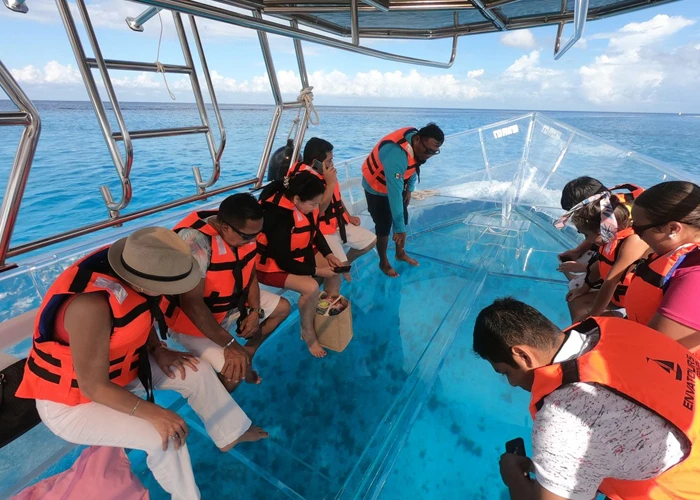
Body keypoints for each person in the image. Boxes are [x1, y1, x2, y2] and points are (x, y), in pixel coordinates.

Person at [16, 227, 268, 500]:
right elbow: (92, 386)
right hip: (74, 402)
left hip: (124, 370)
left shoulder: (142, 268)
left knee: (196, 371)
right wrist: (152, 413)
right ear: (140, 281)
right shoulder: (89, 306)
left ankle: (229, 432)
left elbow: (139, 311)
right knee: (165, 434)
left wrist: (157, 349)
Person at [473, 297, 700, 500]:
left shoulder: (564, 420)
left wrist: (513, 479)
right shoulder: (616, 327)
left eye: (505, 373)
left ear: (522, 355)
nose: (511, 383)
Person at [164, 194, 291, 392]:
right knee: (236, 373)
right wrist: (231, 344)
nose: (254, 240)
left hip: (231, 302)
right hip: (193, 320)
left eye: (258, 233)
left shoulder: (242, 232)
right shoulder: (195, 242)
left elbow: (250, 272)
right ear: (225, 228)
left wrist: (255, 311)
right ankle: (217, 404)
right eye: (249, 236)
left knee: (283, 308)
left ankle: (248, 352)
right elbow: (191, 304)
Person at [257, 172, 343, 358]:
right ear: (296, 199)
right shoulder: (277, 215)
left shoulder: (304, 206)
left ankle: (324, 313)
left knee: (336, 271)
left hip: (298, 254)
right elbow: (283, 261)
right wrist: (318, 271)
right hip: (272, 265)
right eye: (313, 204)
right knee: (311, 287)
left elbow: (314, 231)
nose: (316, 208)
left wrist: (328, 255)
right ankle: (307, 330)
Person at [288, 137, 377, 292]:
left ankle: (345, 263)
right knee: (335, 272)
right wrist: (330, 183)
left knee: (370, 241)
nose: (332, 164)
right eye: (329, 161)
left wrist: (348, 216)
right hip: (321, 231)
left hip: (337, 223)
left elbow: (336, 197)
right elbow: (319, 211)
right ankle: (329, 296)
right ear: (316, 162)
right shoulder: (306, 180)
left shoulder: (325, 173)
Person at [362, 123, 444, 277]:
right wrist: (399, 229)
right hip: (376, 188)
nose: (428, 155)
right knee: (384, 226)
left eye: (434, 152)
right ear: (418, 139)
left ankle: (400, 254)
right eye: (427, 151)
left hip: (397, 184)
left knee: (402, 217)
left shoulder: (417, 145)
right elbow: (393, 194)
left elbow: (414, 165)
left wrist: (410, 189)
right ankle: (383, 261)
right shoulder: (396, 155)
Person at [626, 181, 700, 352]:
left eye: (638, 228)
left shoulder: (695, 277)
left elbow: (655, 353)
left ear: (672, 228)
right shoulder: (676, 256)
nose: (634, 234)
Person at [554, 190, 648, 322]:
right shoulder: (610, 238)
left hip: (633, 307)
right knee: (574, 300)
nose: (587, 239)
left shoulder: (633, 242)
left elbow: (611, 281)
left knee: (583, 323)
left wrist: (592, 316)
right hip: (617, 299)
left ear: (600, 231)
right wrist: (583, 289)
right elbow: (600, 265)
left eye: (586, 235)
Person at [557, 177, 644, 276]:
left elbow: (618, 269)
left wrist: (585, 268)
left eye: (577, 211)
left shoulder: (625, 219)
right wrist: (578, 251)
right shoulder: (605, 206)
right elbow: (593, 229)